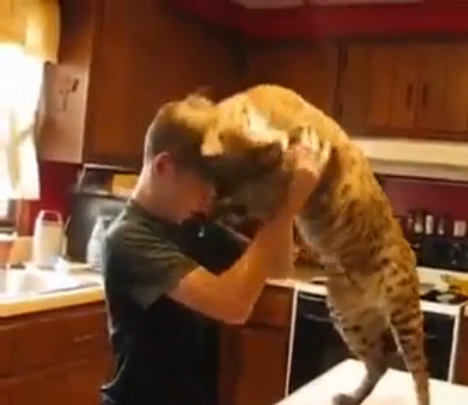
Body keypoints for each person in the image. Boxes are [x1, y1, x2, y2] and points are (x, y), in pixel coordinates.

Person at [100, 98, 331, 405]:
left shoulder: (193, 226)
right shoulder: (127, 239)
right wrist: (290, 202)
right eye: (203, 182)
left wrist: (283, 200)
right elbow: (232, 304)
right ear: (163, 167)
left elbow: (278, 266)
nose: (210, 195)